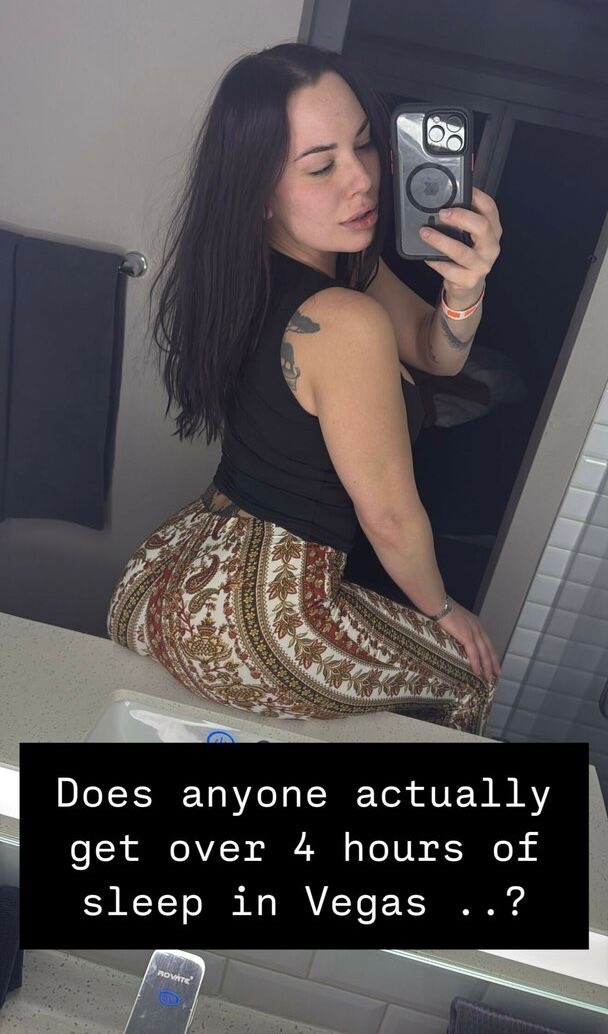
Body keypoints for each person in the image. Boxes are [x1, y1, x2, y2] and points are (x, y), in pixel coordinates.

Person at [107, 42, 503, 733]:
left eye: (365, 145)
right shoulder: (343, 319)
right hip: (258, 619)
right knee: (468, 679)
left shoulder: (263, 271)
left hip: (169, 572)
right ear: (260, 193)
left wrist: (465, 289)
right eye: (321, 166)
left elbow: (434, 352)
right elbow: (390, 517)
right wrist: (444, 611)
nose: (362, 180)